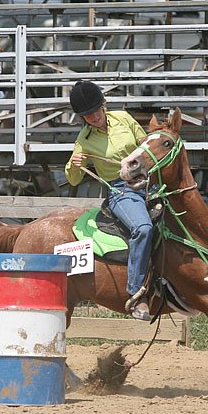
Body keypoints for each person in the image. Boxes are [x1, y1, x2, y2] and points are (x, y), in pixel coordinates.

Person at [64, 80, 152, 321]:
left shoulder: (124, 118)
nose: (93, 117)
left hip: (150, 180)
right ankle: (135, 294)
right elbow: (72, 179)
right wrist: (76, 164)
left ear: (103, 105)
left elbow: (143, 143)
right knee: (143, 229)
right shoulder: (84, 140)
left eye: (95, 110)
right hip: (121, 190)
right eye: (87, 115)